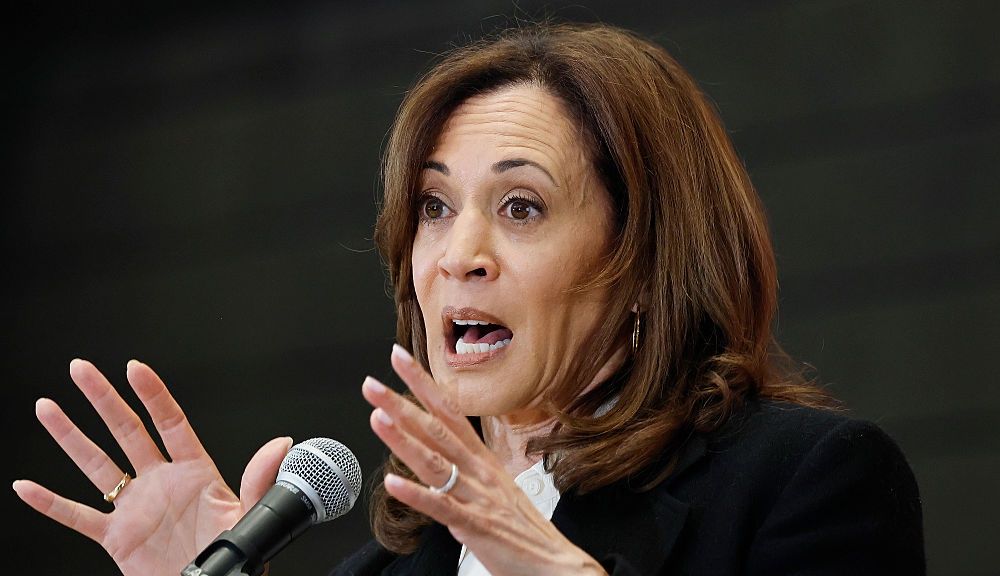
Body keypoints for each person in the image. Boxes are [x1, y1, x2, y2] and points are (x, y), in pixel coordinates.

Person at [13, 21, 925, 575]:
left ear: (646, 262)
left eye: (520, 207)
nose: (459, 255)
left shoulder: (806, 482)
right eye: (434, 208)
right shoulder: (388, 568)